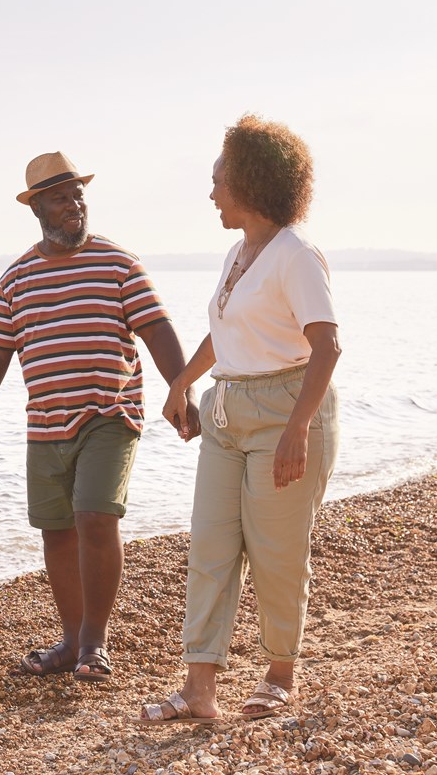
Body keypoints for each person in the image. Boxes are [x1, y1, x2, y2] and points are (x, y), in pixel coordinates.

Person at [0, 151, 197, 682]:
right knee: (57, 531)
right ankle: (69, 639)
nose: (75, 204)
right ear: (37, 206)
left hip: (109, 412)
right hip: (45, 421)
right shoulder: (17, 278)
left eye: (78, 194)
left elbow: (156, 329)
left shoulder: (118, 263)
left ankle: (93, 644)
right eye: (61, 197)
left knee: (94, 516)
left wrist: (182, 390)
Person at [138, 115, 340, 724]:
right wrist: (182, 380)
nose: (211, 191)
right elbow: (226, 328)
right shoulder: (238, 252)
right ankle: (199, 688)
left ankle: (281, 674)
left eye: (219, 179)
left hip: (287, 410)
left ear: (250, 181)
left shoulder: (296, 255)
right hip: (226, 413)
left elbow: (326, 345)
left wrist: (298, 428)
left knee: (278, 552)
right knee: (212, 547)